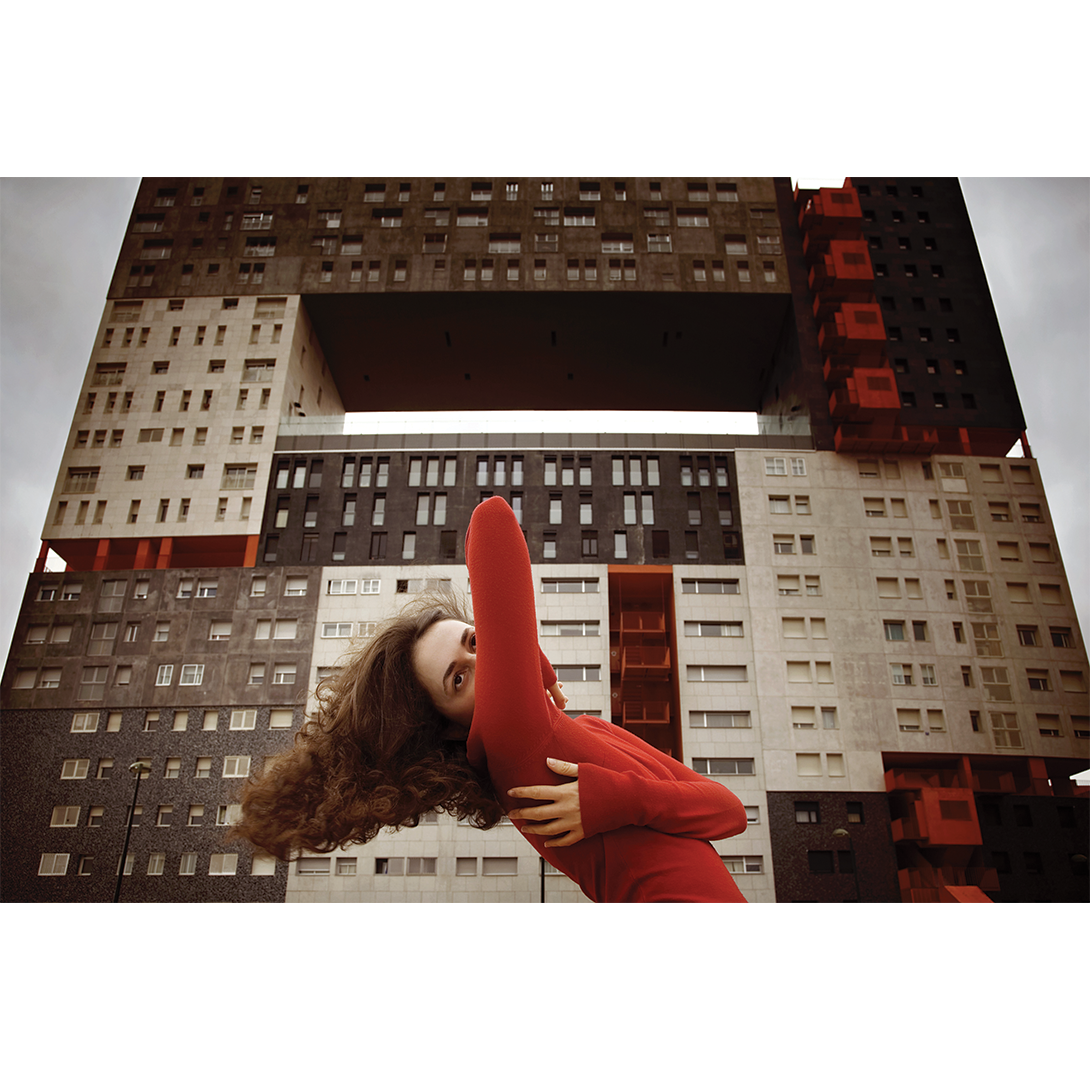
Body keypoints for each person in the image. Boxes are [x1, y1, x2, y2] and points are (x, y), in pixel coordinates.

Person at [238, 496, 747, 903]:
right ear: (446, 726)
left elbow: (728, 812)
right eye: (457, 679)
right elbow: (492, 521)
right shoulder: (512, 747)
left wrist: (621, 800)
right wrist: (526, 658)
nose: (483, 663)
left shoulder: (588, 731)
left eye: (476, 642)